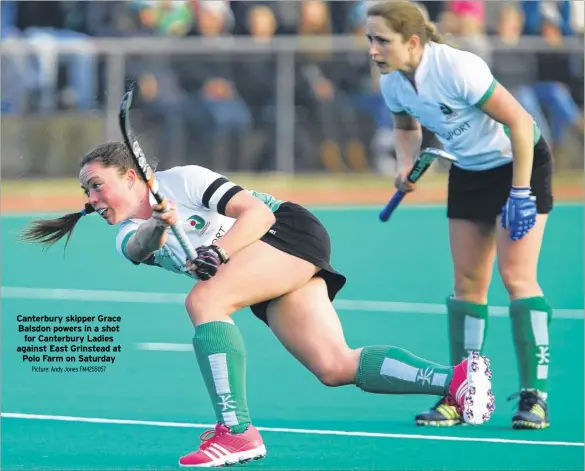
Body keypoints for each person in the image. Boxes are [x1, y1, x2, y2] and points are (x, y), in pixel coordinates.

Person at [21, 141, 495, 468]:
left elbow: (259, 212)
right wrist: (163, 225)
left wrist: (219, 252)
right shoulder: (126, 230)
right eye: (85, 190)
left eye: (97, 184)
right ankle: (456, 380)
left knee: (205, 300)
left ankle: (236, 432)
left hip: (283, 231)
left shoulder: (183, 180)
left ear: (130, 176)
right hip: (259, 264)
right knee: (333, 365)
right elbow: (141, 246)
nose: (91, 198)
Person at [365, 1, 553, 430]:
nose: (373, 50)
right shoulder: (393, 81)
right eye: (369, 40)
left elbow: (521, 123)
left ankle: (534, 398)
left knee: (516, 277)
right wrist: (404, 163)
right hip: (469, 170)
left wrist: (521, 193)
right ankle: (464, 392)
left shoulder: (457, 68)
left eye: (381, 41)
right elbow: (405, 127)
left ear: (413, 41)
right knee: (467, 285)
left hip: (517, 163)